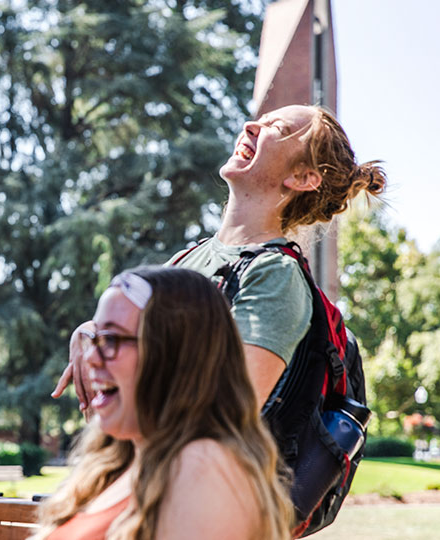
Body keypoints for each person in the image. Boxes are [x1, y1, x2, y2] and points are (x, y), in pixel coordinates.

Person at [53, 104, 387, 410]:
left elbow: (226, 413)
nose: (251, 126)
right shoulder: (186, 259)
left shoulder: (276, 276)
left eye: (278, 129)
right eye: (260, 120)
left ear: (302, 178)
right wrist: (92, 336)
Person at [33, 267, 294, 540]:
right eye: (94, 339)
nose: (90, 359)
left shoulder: (203, 468)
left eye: (112, 339)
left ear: (176, 356)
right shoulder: (121, 464)